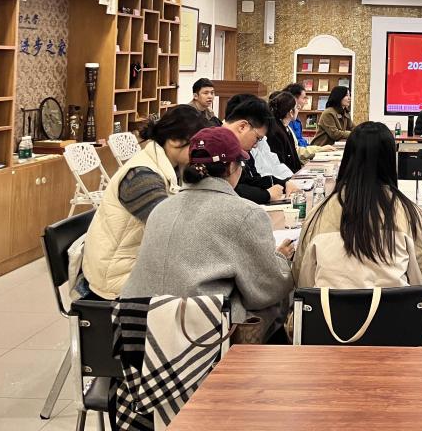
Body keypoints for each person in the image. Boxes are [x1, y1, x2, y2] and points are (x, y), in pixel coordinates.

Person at [122, 126, 294, 339]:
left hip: (136, 328)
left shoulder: (162, 207)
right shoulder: (245, 213)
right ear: (231, 166)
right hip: (196, 335)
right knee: (276, 300)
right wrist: (280, 259)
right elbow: (266, 289)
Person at [293, 122, 422, 289]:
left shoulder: (318, 214)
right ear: (391, 161)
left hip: (328, 306)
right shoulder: (410, 214)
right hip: (394, 306)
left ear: (347, 158)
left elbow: (301, 280)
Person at [82, 105, 206, 300]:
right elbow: (170, 231)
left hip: (134, 260)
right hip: (116, 274)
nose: (201, 153)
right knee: (207, 289)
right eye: (197, 145)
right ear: (174, 140)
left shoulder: (170, 167)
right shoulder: (142, 176)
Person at [223, 94, 295, 205]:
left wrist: (284, 184)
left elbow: (251, 179)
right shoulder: (216, 144)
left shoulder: (240, 149)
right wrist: (266, 195)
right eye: (257, 138)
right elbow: (229, 189)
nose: (256, 145)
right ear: (242, 127)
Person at [266, 91, 303, 174]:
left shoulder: (285, 127)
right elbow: (281, 162)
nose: (299, 109)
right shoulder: (276, 132)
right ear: (291, 112)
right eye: (296, 107)